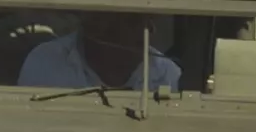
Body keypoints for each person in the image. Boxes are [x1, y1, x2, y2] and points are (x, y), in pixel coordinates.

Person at [17, 11, 182, 92]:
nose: (125, 34)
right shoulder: (45, 62)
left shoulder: (166, 73)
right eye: (127, 22)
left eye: (136, 22)